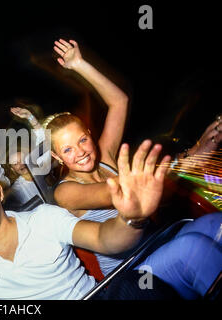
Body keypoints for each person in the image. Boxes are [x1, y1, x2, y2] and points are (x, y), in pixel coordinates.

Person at [0, 141, 221, 300]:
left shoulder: (44, 219)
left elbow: (105, 241)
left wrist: (132, 219)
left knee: (203, 234)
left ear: (0, 193)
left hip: (103, 295)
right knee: (192, 249)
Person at [46, 38, 222, 275]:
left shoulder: (105, 157)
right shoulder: (64, 192)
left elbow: (119, 101)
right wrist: (191, 157)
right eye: (67, 150)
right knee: (196, 249)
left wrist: (79, 65)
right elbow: (122, 190)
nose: (80, 152)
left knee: (216, 223)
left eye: (82, 140)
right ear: (57, 156)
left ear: (89, 134)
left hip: (158, 241)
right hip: (131, 270)